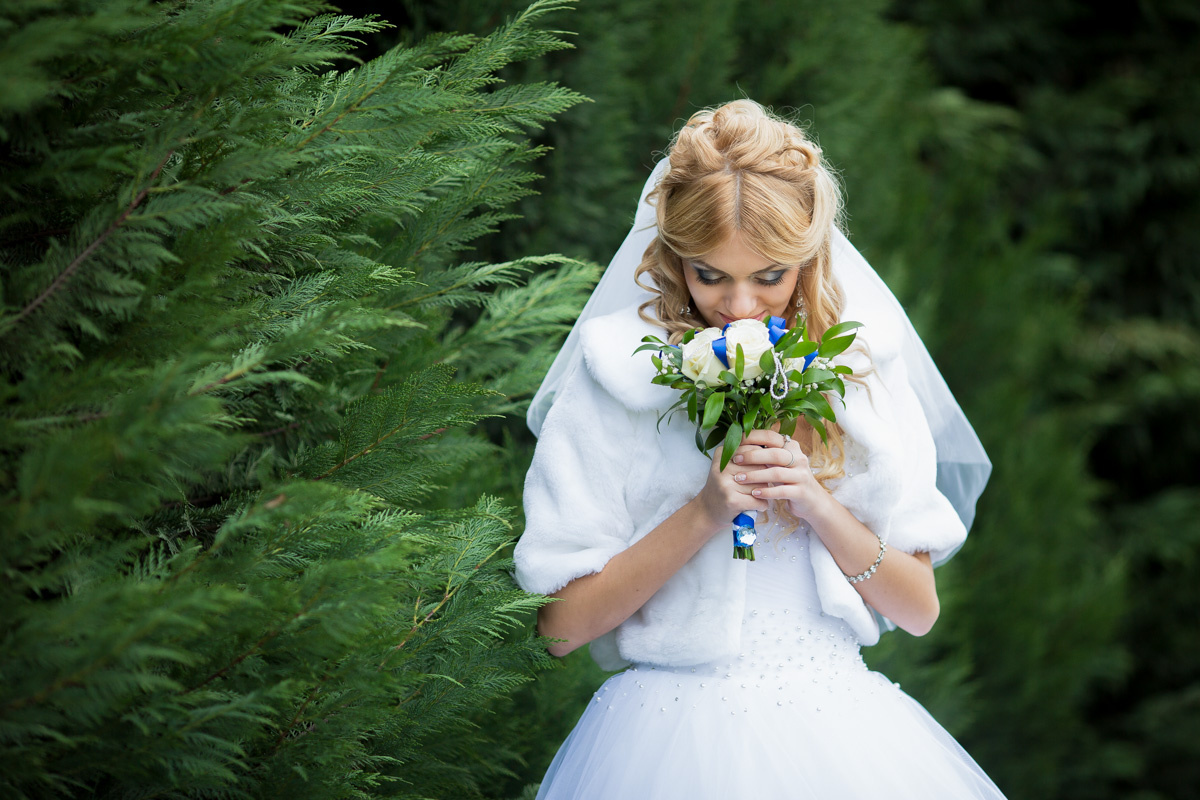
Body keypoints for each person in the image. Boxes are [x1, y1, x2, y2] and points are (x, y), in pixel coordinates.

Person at [515, 100, 1005, 799]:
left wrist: (817, 504)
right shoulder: (617, 374)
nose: (741, 306)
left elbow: (919, 609)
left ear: (808, 258)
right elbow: (560, 630)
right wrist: (704, 514)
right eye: (710, 275)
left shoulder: (862, 370)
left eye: (769, 276)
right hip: (665, 741)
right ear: (673, 257)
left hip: (843, 739)